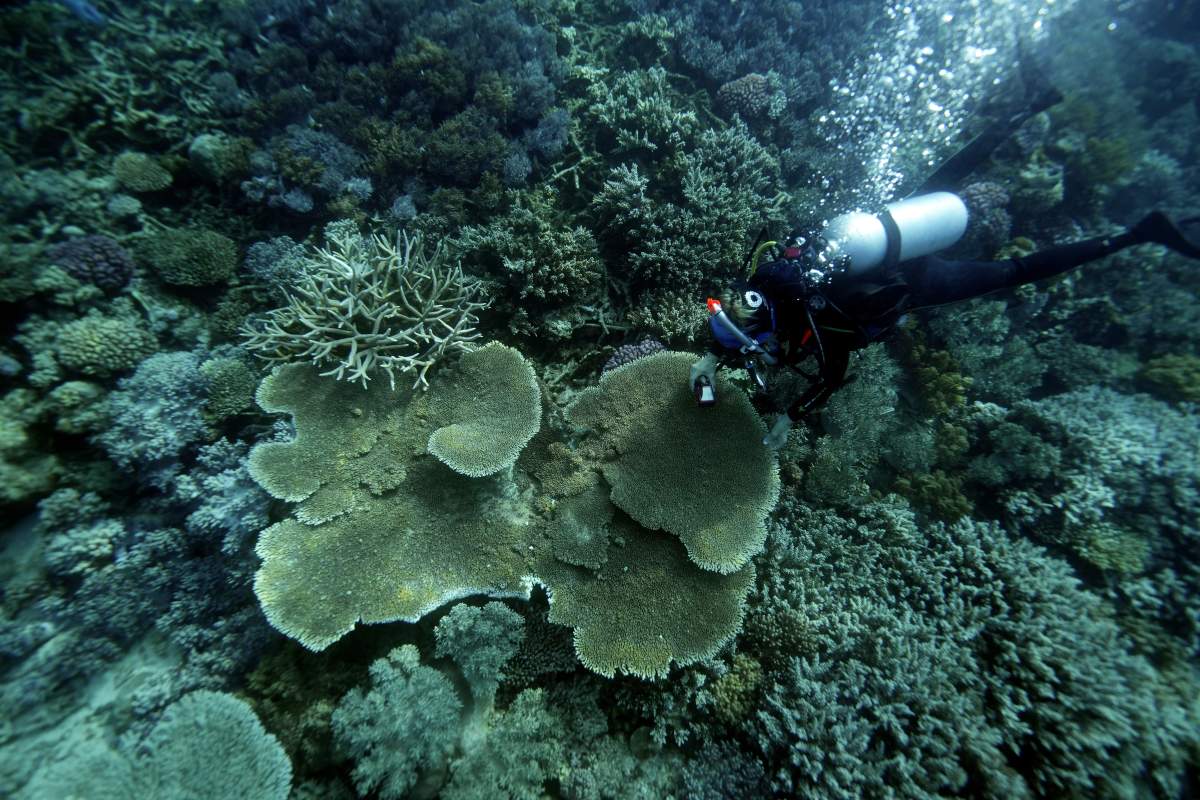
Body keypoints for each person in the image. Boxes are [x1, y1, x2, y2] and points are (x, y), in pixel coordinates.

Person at [689, 193, 1200, 449]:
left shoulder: (823, 327)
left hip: (920, 281)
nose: (766, 355)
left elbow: (830, 379)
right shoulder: (771, 282)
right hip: (880, 230)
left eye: (764, 348)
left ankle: (1135, 234)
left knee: (1012, 272)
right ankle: (1024, 111)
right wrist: (708, 365)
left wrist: (786, 419)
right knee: (934, 191)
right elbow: (736, 331)